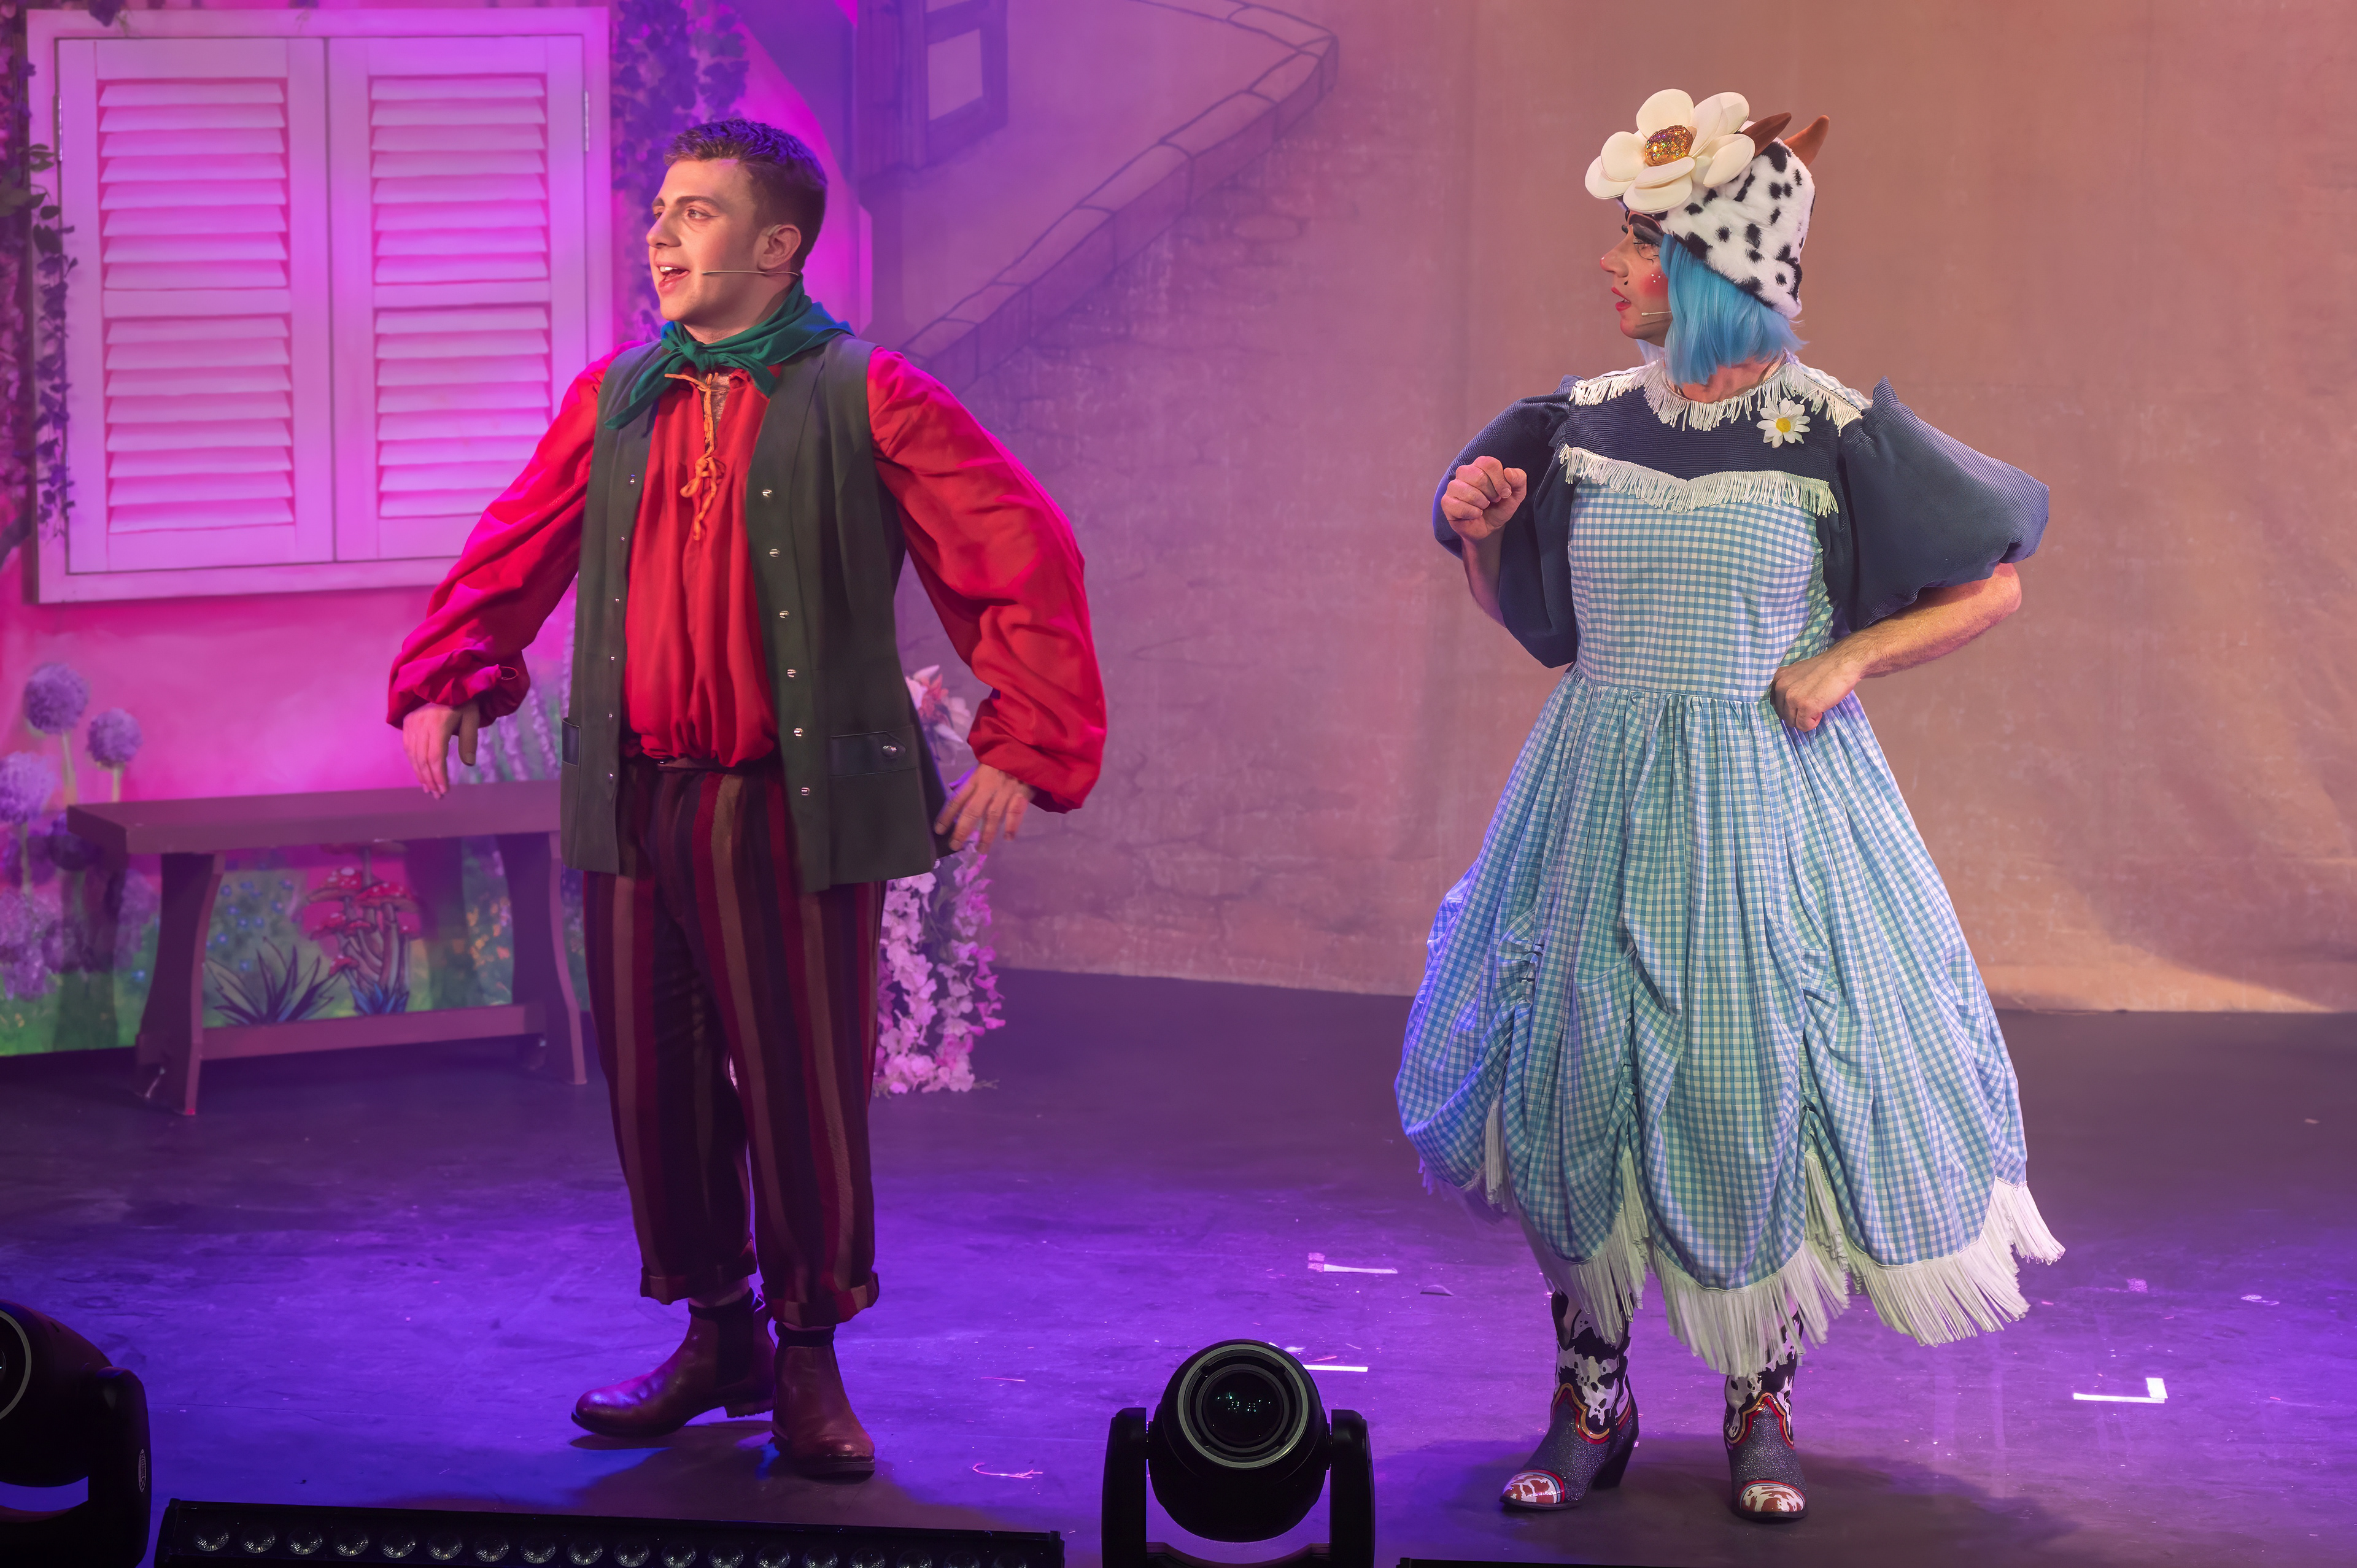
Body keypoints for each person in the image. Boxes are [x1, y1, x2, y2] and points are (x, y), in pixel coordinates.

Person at [386, 118, 1105, 1477]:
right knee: (656, 1090)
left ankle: (810, 1352)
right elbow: (515, 544)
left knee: (798, 1089)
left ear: (778, 246)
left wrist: (1026, 736)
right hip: (634, 797)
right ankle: (718, 1334)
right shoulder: (619, 396)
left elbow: (1018, 548)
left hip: (784, 805)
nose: (661, 235)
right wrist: (451, 674)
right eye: (661, 210)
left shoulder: (866, 391)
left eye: (698, 213)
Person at [1395, 90, 2061, 1523]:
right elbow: (1549, 630)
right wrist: (1483, 539)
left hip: (1763, 805)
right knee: (1581, 1075)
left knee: (1751, 1077)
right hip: (1600, 793)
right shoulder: (1577, 425)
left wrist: (1848, 658)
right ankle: (1593, 1394)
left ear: (1710, 266)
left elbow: (1992, 583)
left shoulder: (1827, 431)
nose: (1612, 265)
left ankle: (1763, 1396)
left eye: (1641, 243)